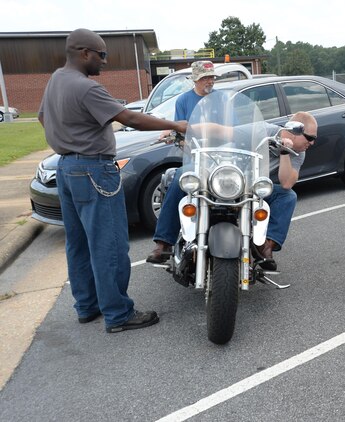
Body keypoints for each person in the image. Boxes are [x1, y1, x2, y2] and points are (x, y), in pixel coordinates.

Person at [38, 28, 188, 333]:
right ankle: (118, 313)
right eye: (101, 55)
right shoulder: (86, 88)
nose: (104, 61)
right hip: (94, 169)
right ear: (84, 53)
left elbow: (43, 117)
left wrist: (72, 133)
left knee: (78, 244)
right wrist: (176, 124)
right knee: (110, 245)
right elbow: (130, 118)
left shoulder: (56, 79)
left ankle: (87, 306)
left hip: (67, 168)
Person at [146, 110, 318, 272]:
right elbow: (220, 131)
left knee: (287, 197)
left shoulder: (298, 153)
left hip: (251, 188)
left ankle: (264, 246)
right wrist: (177, 127)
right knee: (183, 175)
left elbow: (287, 183)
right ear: (294, 129)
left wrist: (284, 152)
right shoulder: (261, 130)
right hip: (223, 175)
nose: (312, 143)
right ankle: (164, 244)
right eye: (309, 138)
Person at [145, 60, 217, 263]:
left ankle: (259, 243)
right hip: (198, 159)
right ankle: (164, 243)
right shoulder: (183, 101)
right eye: (205, 77)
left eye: (211, 77)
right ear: (195, 79)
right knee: (179, 178)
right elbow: (179, 133)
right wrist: (186, 143)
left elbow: (236, 129)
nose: (209, 81)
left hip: (225, 158)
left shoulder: (222, 100)